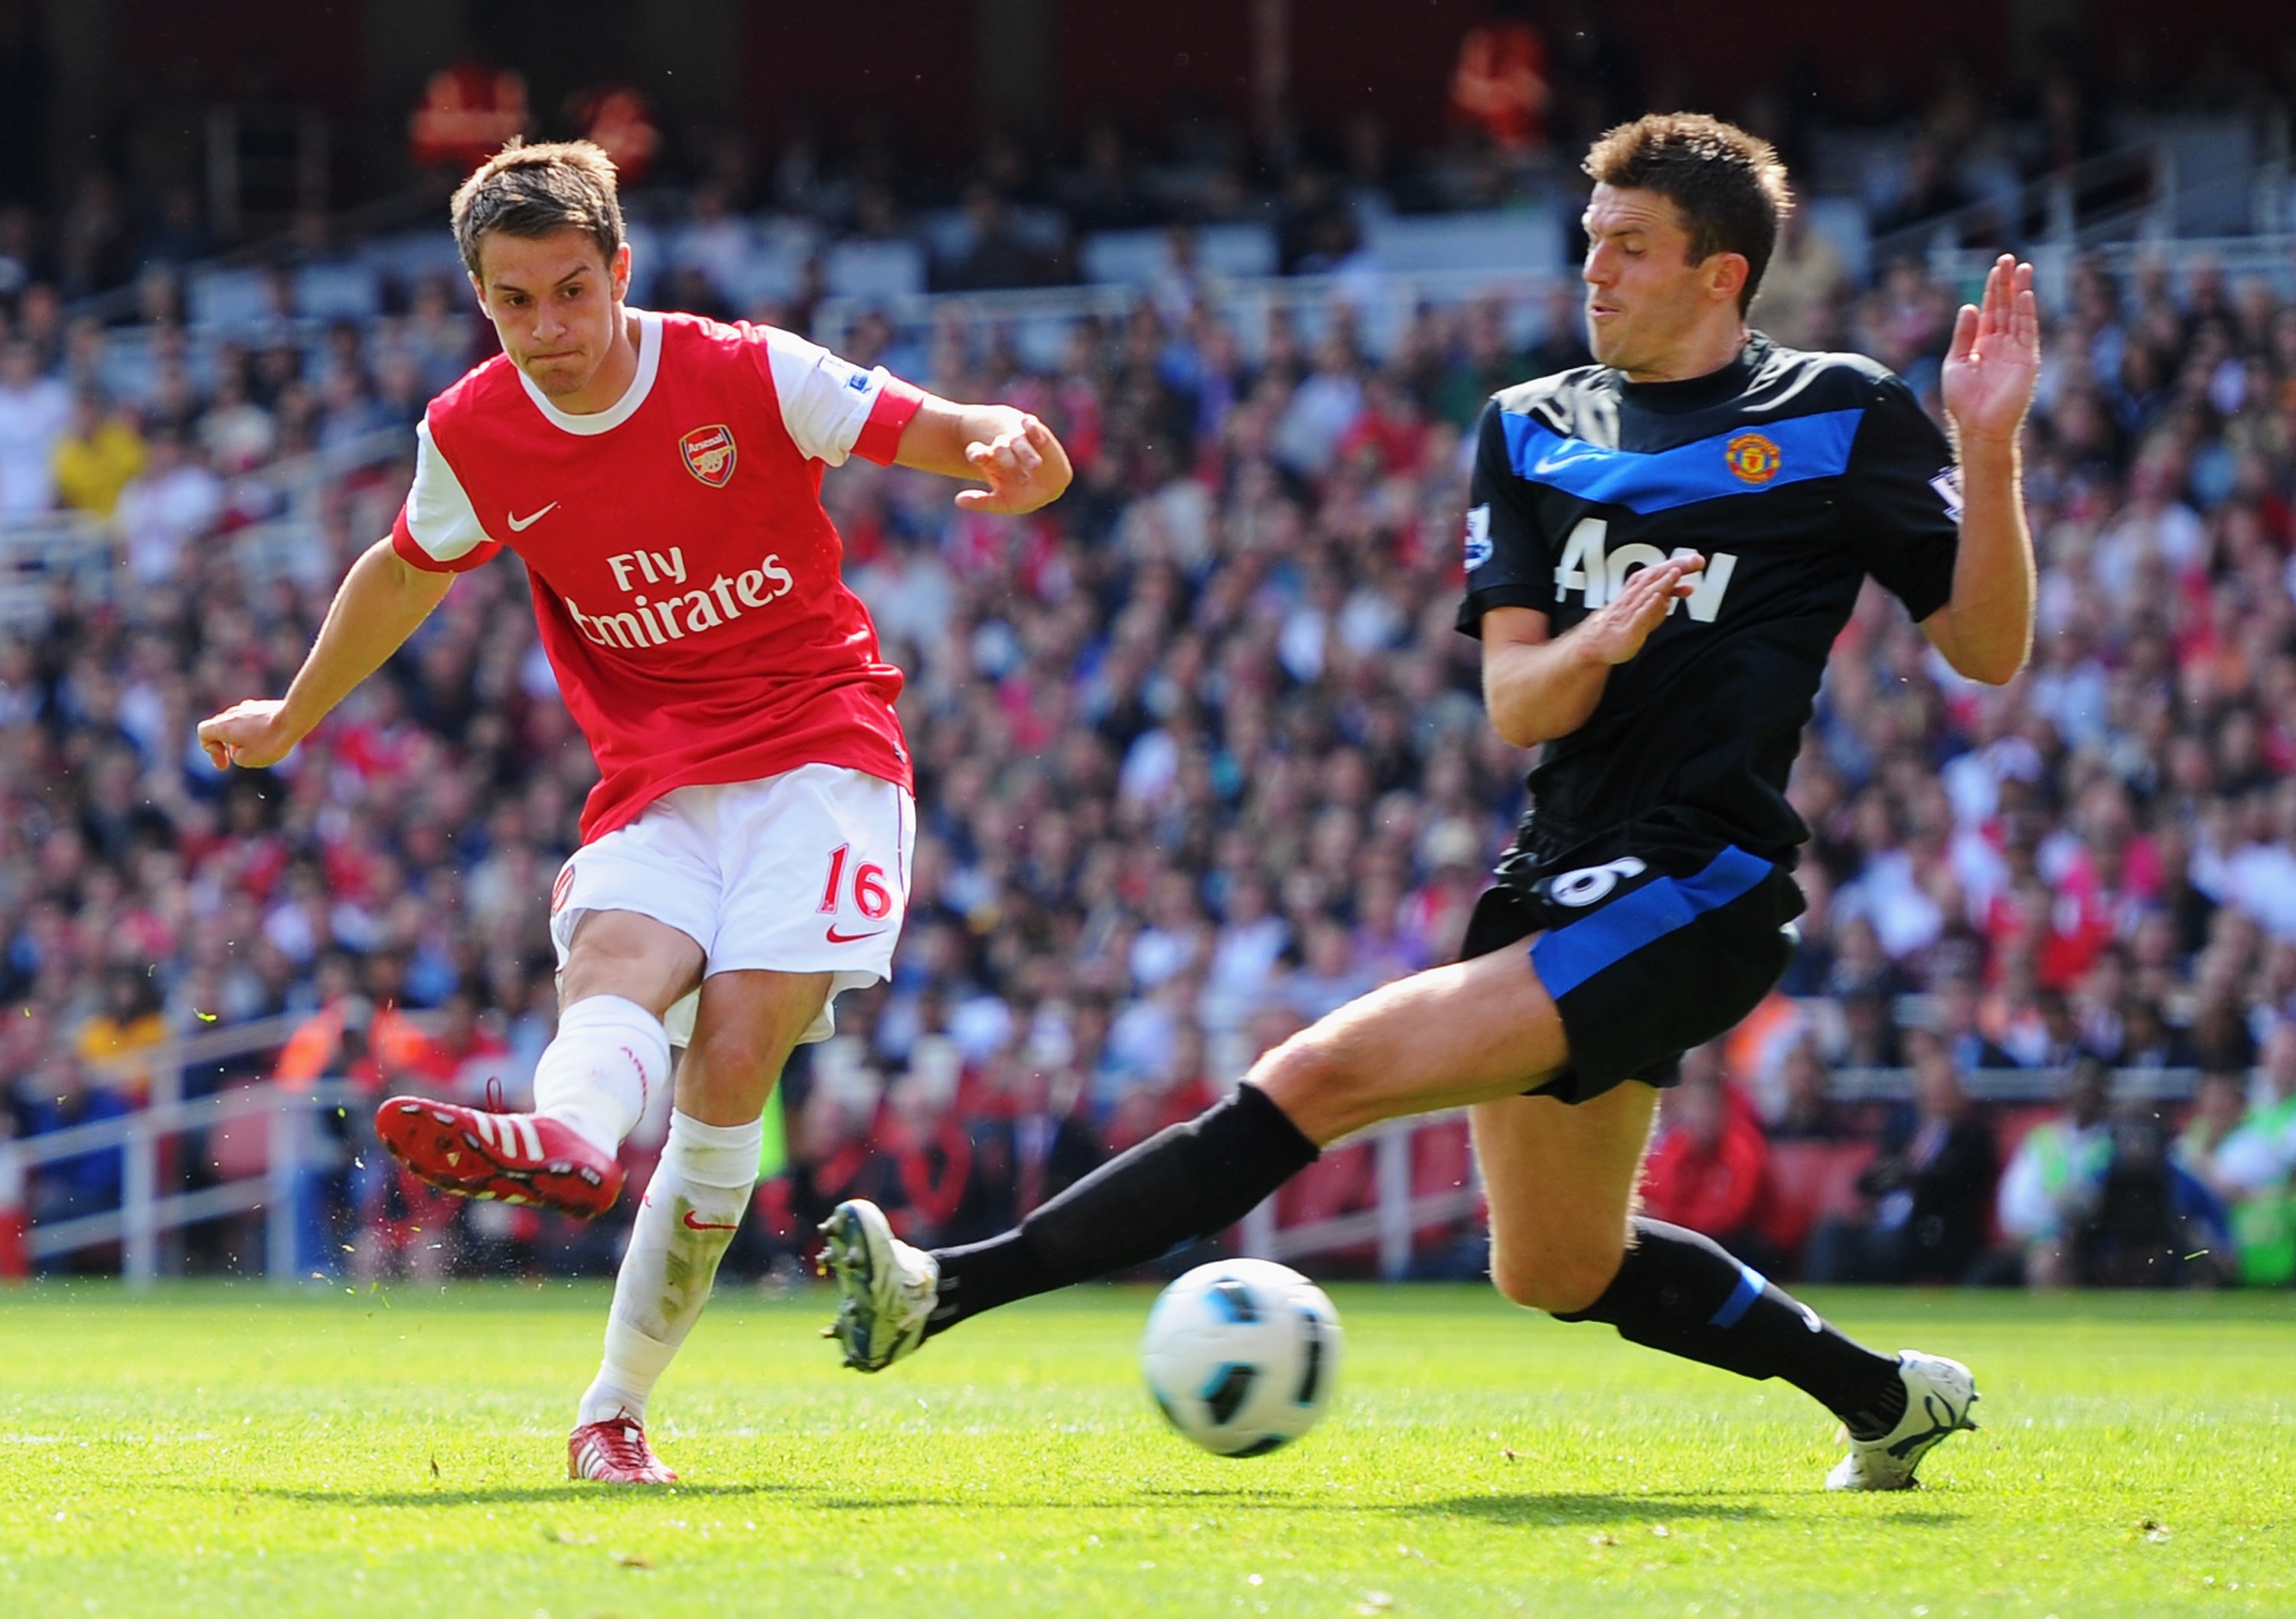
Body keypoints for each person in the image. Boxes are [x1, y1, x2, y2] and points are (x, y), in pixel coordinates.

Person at [823, 112, 2039, 1491]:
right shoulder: (1528, 428)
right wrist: (1597, 643)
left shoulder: (1840, 412)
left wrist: (1988, 455)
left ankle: (943, 1287)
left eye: (1633, 249)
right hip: (1556, 867)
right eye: (1592, 243)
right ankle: (1883, 1399)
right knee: (1558, 1266)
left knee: (1320, 1074)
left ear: (1724, 274)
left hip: (1705, 882)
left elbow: (1988, 651)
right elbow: (1520, 703)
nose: (1596, 273)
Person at [195, 139, 1071, 1485]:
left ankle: (613, 1397)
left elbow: (942, 430)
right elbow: (404, 571)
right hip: (656, 774)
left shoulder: (745, 371)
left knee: (728, 1065)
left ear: (619, 270)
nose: (546, 328)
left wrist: (1016, 446)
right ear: (478, 298)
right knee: (612, 961)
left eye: (568, 290)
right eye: (511, 301)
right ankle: (570, 1144)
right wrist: (292, 717)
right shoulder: (473, 431)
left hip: (822, 759)